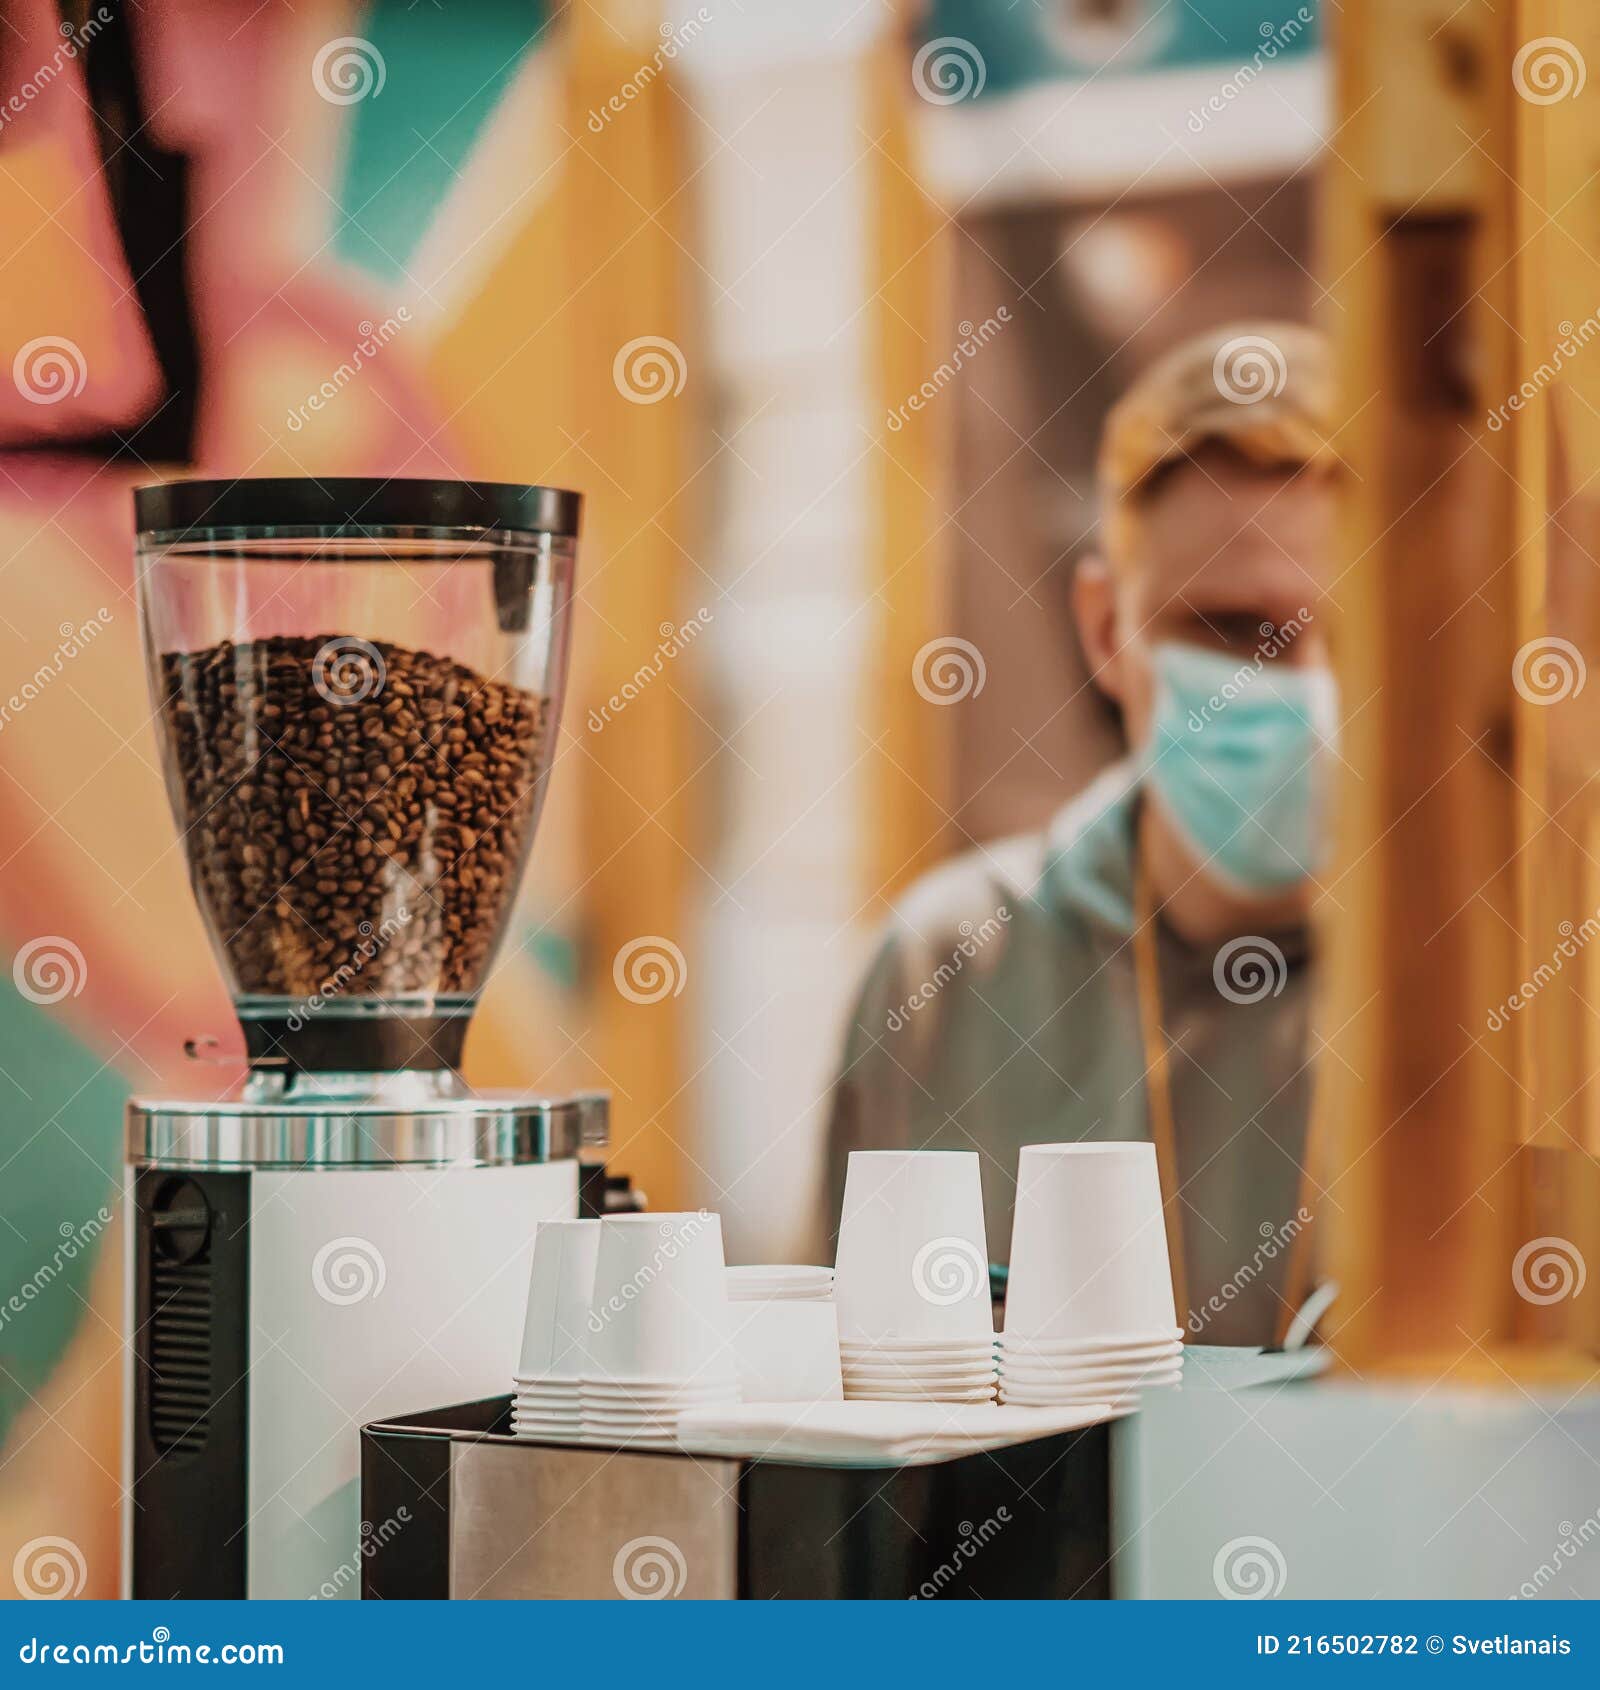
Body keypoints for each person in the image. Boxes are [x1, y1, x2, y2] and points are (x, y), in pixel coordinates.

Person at [822, 322, 1339, 1347]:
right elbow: (847, 1442)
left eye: (1354, 626)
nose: (1306, 685)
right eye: (1232, 628)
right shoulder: (948, 973)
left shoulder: (1507, 992)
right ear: (1107, 630)